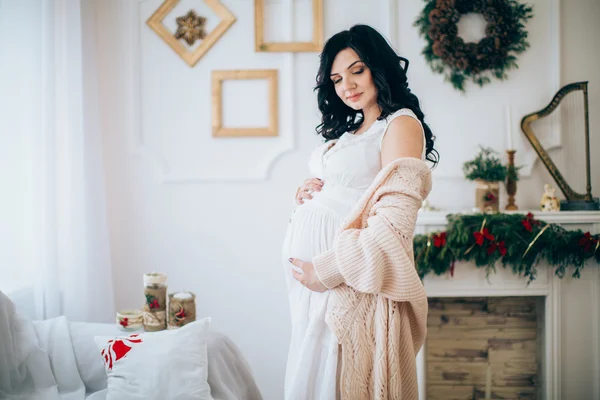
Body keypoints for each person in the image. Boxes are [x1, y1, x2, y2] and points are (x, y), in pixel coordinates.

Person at [281, 24, 438, 399]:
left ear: (378, 67)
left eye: (357, 70)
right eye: (336, 78)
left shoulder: (399, 125)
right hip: (314, 289)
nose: (346, 85)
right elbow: (347, 193)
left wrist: (330, 269)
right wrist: (306, 195)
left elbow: (393, 224)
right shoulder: (351, 130)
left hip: (346, 283)